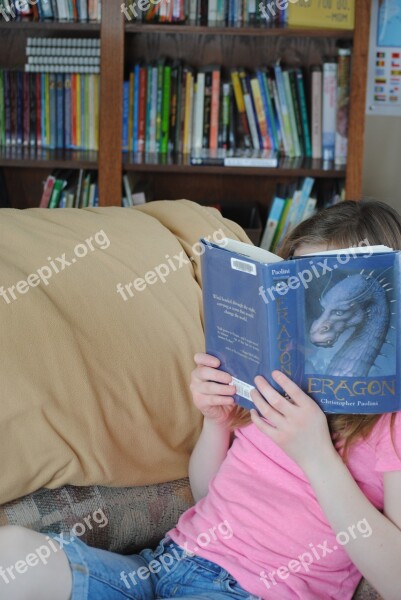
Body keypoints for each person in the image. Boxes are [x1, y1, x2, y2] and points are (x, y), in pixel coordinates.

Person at [1, 199, 401, 600]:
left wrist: (316, 456)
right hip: (163, 567)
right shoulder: (273, 385)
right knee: (12, 556)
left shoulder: (391, 422)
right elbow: (207, 495)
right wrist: (216, 420)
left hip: (250, 593)